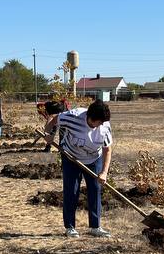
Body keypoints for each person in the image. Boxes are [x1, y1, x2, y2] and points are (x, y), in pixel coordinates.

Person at [45, 100, 113, 238]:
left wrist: (104, 172)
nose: (101, 125)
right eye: (98, 122)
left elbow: (107, 150)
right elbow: (54, 120)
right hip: (71, 157)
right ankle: (70, 227)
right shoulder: (72, 117)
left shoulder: (105, 126)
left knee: (95, 189)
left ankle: (95, 226)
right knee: (72, 191)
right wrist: (50, 135)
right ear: (90, 118)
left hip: (94, 159)